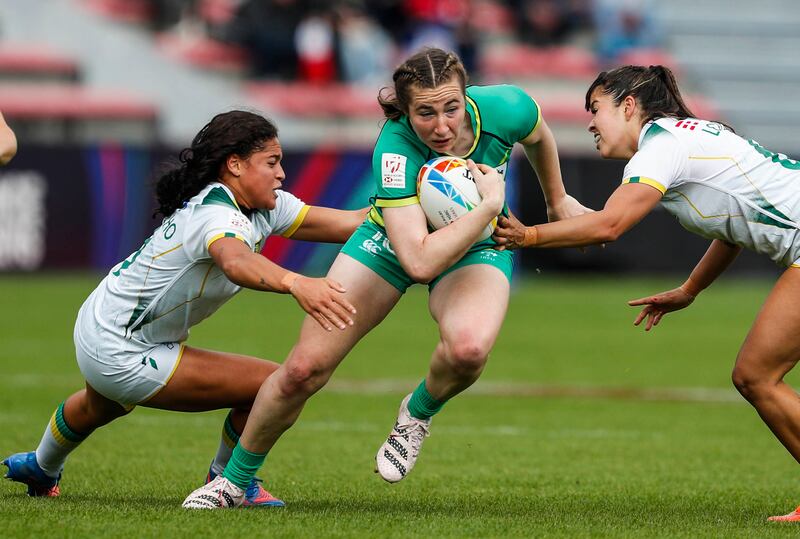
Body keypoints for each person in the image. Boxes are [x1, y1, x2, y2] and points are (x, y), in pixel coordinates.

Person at [182, 47, 591, 508]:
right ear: (404, 109)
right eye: (425, 113)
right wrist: (490, 207)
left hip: (476, 242)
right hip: (395, 243)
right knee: (302, 370)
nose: (441, 126)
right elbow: (417, 261)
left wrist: (557, 202)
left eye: (451, 108)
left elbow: (539, 136)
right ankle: (234, 481)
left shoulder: (506, 107)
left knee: (469, 351)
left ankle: (416, 415)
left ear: (467, 95)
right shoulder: (394, 148)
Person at [3, 110, 366, 506]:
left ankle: (40, 466)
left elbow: (351, 223)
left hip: (102, 321)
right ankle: (229, 480)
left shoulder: (260, 206)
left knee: (98, 406)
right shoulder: (217, 214)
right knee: (273, 386)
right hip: (122, 347)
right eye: (271, 163)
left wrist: (410, 208)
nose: (281, 174)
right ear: (235, 165)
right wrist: (297, 282)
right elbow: (236, 262)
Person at [491, 64, 800, 523]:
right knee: (757, 375)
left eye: (596, 109)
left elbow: (611, 225)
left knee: (756, 375)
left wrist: (528, 237)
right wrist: (690, 290)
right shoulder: (687, 136)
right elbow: (733, 229)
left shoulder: (662, 146)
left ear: (629, 105)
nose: (591, 123)